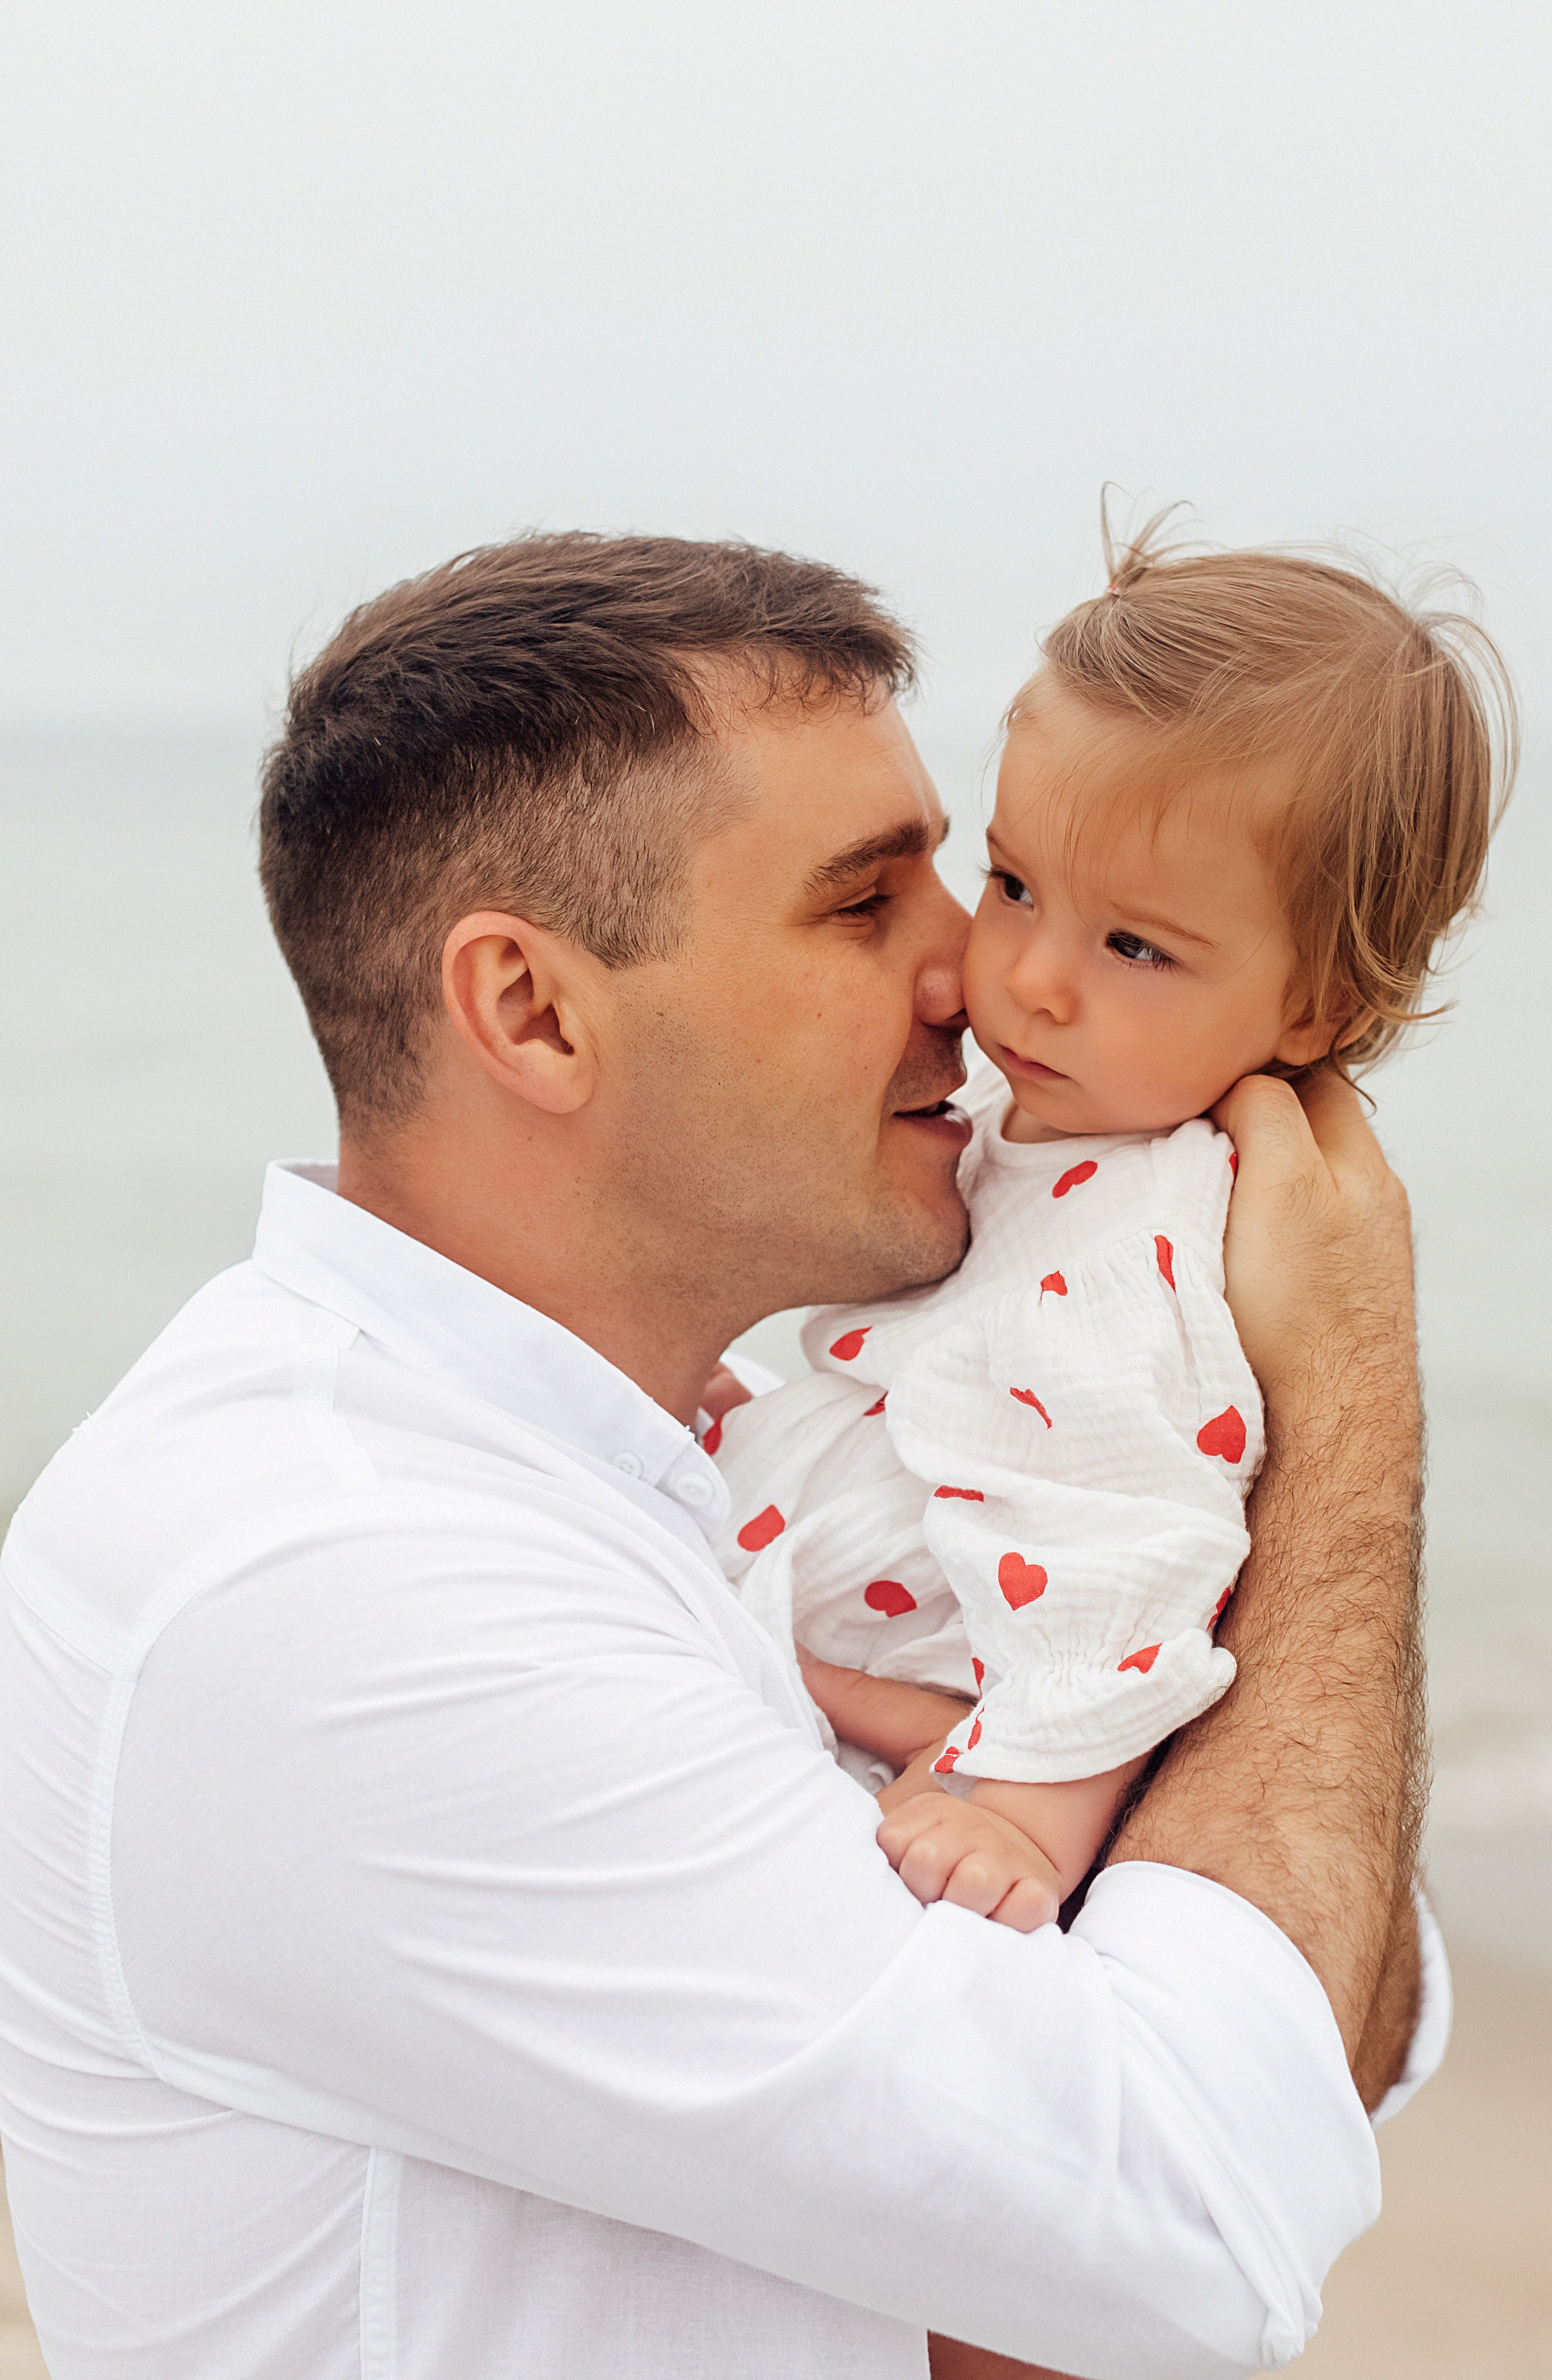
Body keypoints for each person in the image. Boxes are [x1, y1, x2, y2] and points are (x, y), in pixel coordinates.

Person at [0, 533, 1445, 2379]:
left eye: (959, 869)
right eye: (866, 902)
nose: (972, 968)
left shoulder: (668, 1459)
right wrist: (1347, 1395)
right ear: (534, 1011)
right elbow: (1215, 2220)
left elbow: (1302, 2035)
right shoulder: (343, 1594)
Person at [711, 521, 1512, 1939]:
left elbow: (1133, 1543)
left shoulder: (1151, 1236)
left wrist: (1024, 1812)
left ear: (1315, 1008)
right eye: (1014, 884)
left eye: (1133, 946)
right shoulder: (1030, 1115)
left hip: (958, 1729)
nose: (1028, 976)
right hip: (834, 1624)